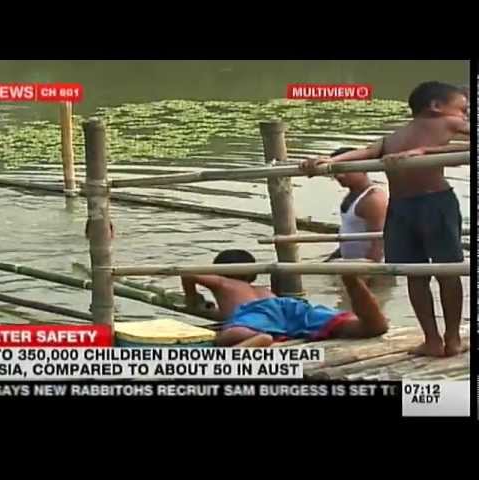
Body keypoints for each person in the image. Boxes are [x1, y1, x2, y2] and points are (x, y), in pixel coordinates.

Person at [301, 81, 469, 357]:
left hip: (435, 202)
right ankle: (431, 339)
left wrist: (428, 152)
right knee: (412, 274)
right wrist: (324, 162)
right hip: (401, 208)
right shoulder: (395, 135)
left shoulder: (447, 126)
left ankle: (452, 338)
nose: (464, 115)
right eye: (462, 108)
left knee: (447, 271)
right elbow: (368, 152)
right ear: (436, 106)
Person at [181, 249, 388, 347]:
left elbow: (188, 273)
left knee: (224, 338)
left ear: (220, 271)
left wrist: (192, 298)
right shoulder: (260, 288)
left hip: (256, 315)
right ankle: (351, 281)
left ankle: (260, 339)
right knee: (370, 328)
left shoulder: (224, 283)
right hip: (287, 306)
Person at [325, 147, 388, 263]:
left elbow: (379, 243)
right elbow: (351, 231)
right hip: (352, 267)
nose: (339, 176)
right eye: (335, 171)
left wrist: (369, 274)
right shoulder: (353, 195)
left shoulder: (373, 198)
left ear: (363, 168)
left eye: (344, 170)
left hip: (367, 270)